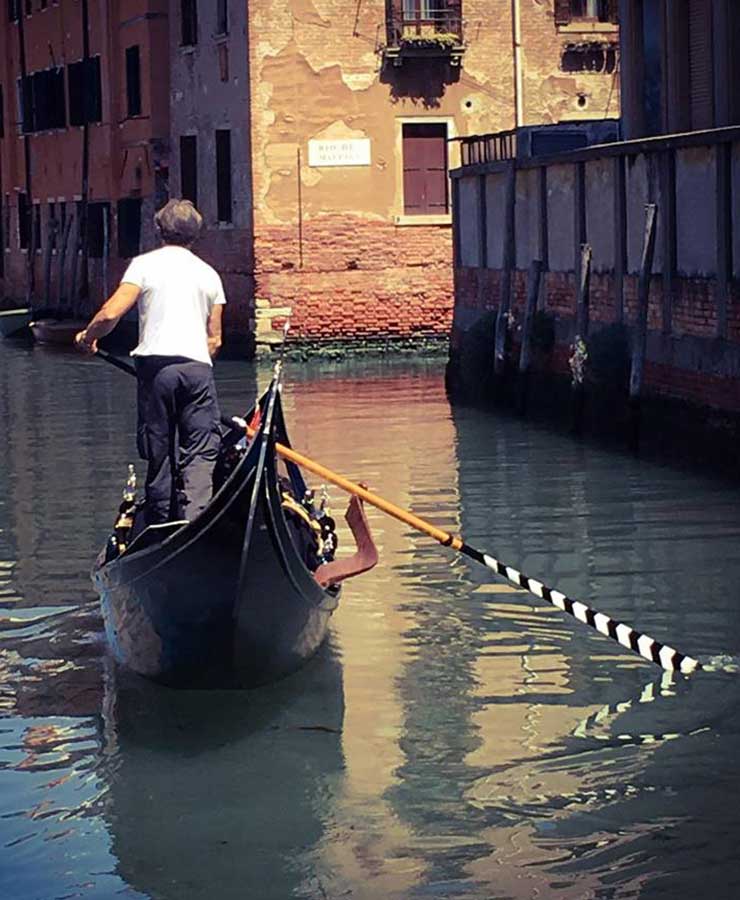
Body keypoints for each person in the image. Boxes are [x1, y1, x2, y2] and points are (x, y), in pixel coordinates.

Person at [75, 199, 225, 525]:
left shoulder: (144, 265)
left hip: (156, 372)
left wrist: (88, 337)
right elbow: (216, 339)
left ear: (159, 230)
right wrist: (193, 361)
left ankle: (160, 525)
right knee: (199, 451)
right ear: (196, 234)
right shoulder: (209, 274)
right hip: (198, 370)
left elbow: (111, 312)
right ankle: (194, 522)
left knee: (159, 451)